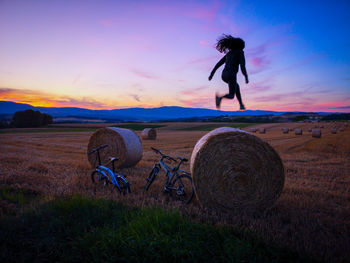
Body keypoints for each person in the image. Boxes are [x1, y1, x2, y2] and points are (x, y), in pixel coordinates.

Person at [208, 34, 249, 110]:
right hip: (231, 75)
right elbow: (242, 66)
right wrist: (246, 76)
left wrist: (211, 75)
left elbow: (218, 64)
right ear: (240, 45)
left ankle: (241, 105)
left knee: (236, 86)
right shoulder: (240, 52)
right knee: (231, 95)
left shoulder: (228, 54)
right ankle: (219, 98)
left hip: (223, 75)